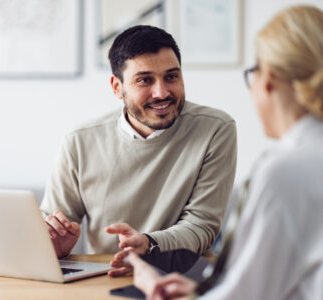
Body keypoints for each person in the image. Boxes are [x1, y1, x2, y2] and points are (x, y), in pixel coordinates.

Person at [126, 5, 323, 299]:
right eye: (145, 80)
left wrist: (156, 287)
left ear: (266, 79)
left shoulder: (284, 172)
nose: (161, 93)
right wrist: (201, 289)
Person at [40, 25, 237, 276]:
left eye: (171, 76)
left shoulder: (215, 129)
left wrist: (149, 243)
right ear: (117, 87)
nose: (162, 92)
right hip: (105, 276)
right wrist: (54, 244)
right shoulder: (79, 140)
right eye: (145, 80)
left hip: (182, 278)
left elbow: (202, 225)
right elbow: (53, 225)